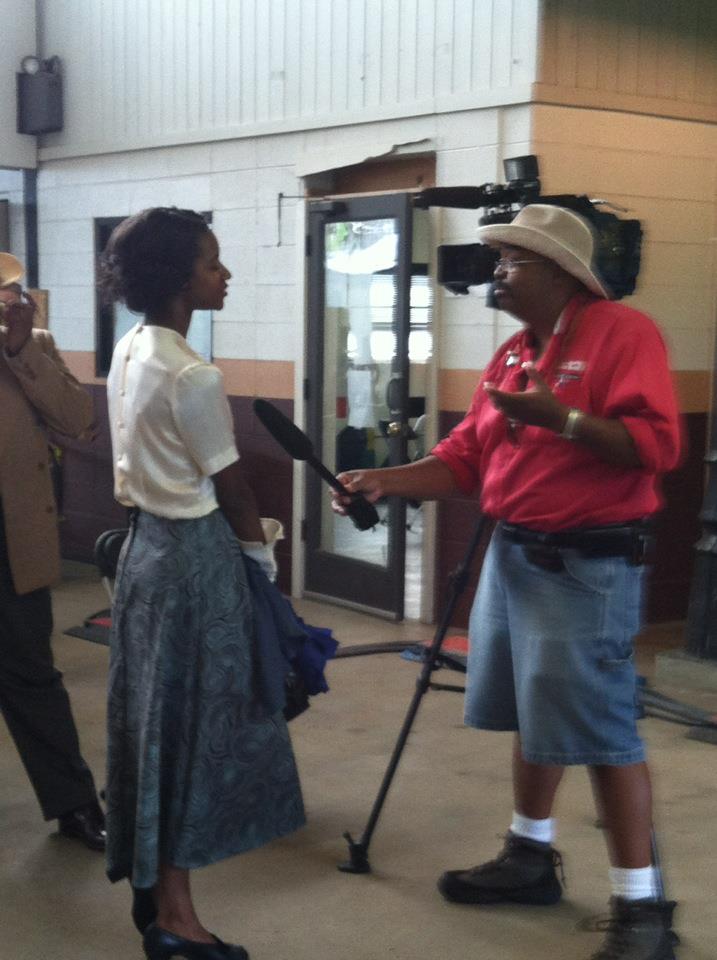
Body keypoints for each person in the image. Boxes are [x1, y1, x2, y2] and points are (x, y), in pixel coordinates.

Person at [332, 205, 682, 960]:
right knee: (538, 711)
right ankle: (529, 857)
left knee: (603, 732)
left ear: (558, 271)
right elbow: (463, 460)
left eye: (510, 261)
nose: (495, 273)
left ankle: (643, 911)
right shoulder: (514, 352)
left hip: (585, 565)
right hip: (513, 556)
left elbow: (657, 446)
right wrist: (382, 480)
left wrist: (563, 420)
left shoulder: (624, 334)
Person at [100, 208, 305, 960]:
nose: (224, 275)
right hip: (193, 566)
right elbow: (235, 491)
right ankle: (178, 921)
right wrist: (263, 572)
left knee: (154, 724)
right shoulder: (192, 372)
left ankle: (156, 892)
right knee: (199, 734)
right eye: (212, 263)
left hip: (144, 561)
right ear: (179, 276)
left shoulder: (132, 351)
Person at [0, 252, 105, 851]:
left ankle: (74, 806)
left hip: (11, 543)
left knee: (32, 677)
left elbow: (78, 417)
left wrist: (21, 351)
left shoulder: (32, 344)